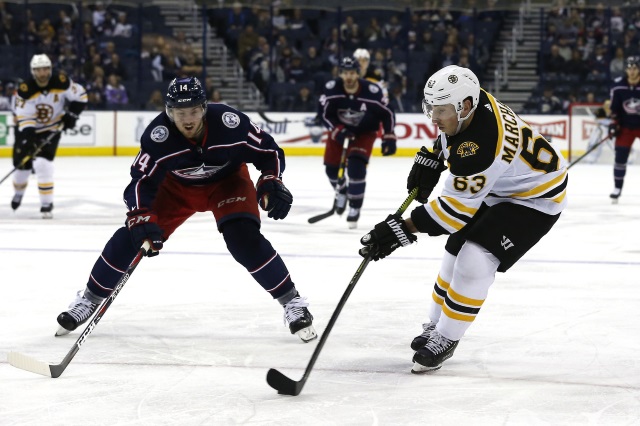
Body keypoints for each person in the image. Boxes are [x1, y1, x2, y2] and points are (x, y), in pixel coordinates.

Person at [54, 76, 317, 344]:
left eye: (193, 110)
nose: (187, 119)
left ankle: (292, 302)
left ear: (204, 107)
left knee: (243, 239)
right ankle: (89, 299)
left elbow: (269, 151)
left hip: (228, 184)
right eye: (180, 113)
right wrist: (139, 217)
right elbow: (139, 182)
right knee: (129, 239)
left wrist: (271, 180)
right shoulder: (158, 137)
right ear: (169, 112)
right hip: (175, 190)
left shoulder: (231, 122)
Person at [358, 65, 568, 373]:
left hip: (535, 199)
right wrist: (432, 154)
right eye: (430, 109)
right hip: (501, 185)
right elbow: (452, 137)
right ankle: (435, 324)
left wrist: (400, 230)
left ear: (464, 106)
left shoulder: (482, 146)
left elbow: (452, 214)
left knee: (474, 260)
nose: (433, 118)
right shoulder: (472, 103)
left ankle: (447, 337)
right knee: (453, 252)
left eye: (440, 111)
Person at [318, 56, 397, 228]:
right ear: (340, 73)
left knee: (356, 167)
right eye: (345, 73)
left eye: (352, 72)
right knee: (331, 168)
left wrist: (389, 136)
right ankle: (342, 192)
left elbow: (388, 112)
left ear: (358, 73)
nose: (349, 76)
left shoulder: (372, 91)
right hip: (339, 131)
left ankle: (354, 207)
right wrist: (337, 129)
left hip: (364, 133)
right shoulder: (331, 89)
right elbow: (323, 114)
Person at [11, 54, 87, 218]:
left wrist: (72, 115)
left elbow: (80, 96)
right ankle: (18, 194)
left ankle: (47, 204)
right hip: (27, 130)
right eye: (39, 70)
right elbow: (25, 118)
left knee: (43, 165)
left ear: (50, 69)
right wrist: (30, 139)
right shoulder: (25, 90)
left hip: (52, 129)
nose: (43, 73)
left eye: (46, 69)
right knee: (21, 169)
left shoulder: (61, 82)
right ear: (33, 71)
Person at [608, 55, 640, 202]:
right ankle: (617, 188)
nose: (632, 71)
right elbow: (614, 109)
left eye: (634, 68)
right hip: (626, 127)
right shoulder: (618, 86)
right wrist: (614, 124)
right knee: (620, 158)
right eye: (629, 68)